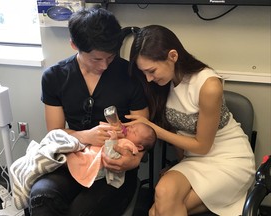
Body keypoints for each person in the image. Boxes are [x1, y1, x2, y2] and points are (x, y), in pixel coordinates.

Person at [29, 6, 149, 216]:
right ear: (74, 45)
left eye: (110, 58)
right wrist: (86, 136)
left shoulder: (131, 75)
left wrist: (134, 160)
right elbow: (54, 133)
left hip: (115, 167)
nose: (104, 65)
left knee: (81, 212)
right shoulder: (55, 77)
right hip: (74, 160)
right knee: (42, 198)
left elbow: (143, 131)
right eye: (96, 59)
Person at [126, 25, 255, 216]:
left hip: (229, 160)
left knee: (157, 212)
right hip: (192, 160)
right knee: (162, 192)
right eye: (144, 72)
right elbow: (179, 132)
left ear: (173, 56)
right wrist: (179, 165)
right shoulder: (163, 84)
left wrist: (152, 128)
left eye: (151, 71)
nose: (148, 78)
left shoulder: (208, 85)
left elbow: (202, 146)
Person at [67, 122, 156, 188]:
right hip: (87, 147)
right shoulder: (122, 136)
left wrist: (112, 140)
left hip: (102, 169)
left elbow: (113, 156)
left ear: (139, 147)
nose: (130, 129)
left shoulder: (128, 145)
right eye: (132, 126)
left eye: (134, 133)